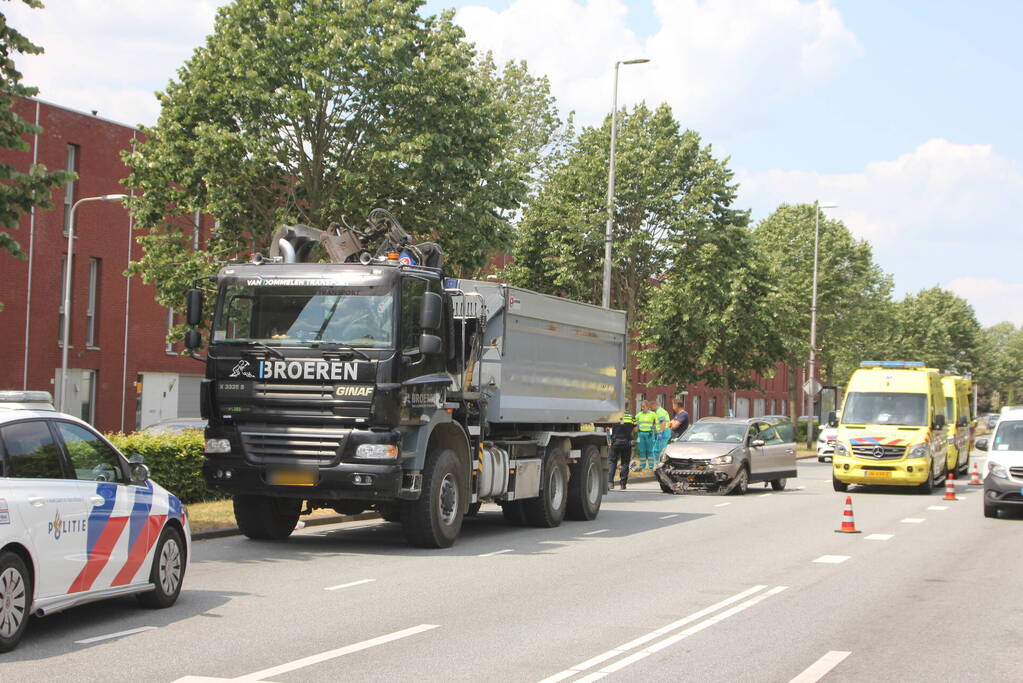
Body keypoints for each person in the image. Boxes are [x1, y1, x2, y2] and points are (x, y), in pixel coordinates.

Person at [609, 413, 636, 490]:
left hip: (615, 442)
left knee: (612, 462)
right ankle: (623, 484)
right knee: (625, 463)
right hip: (627, 442)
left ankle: (610, 483)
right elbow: (635, 429)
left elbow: (609, 428)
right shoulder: (632, 417)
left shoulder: (613, 416)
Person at [635, 401, 658, 470]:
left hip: (649, 434)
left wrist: (653, 428)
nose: (642, 408)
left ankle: (651, 465)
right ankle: (642, 466)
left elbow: (657, 423)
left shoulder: (653, 414)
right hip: (641, 434)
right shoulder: (639, 414)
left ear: (648, 407)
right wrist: (637, 428)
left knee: (650, 450)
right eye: (641, 407)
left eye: (644, 407)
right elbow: (635, 422)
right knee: (642, 450)